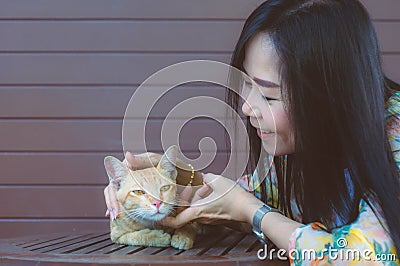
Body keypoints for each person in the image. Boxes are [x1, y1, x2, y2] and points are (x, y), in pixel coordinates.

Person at [104, 0, 400, 264]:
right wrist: (161, 185)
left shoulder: (394, 132)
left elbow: (367, 258)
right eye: (246, 84)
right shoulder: (292, 150)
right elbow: (238, 199)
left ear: (330, 96)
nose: (247, 108)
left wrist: (254, 213)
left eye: (269, 96)